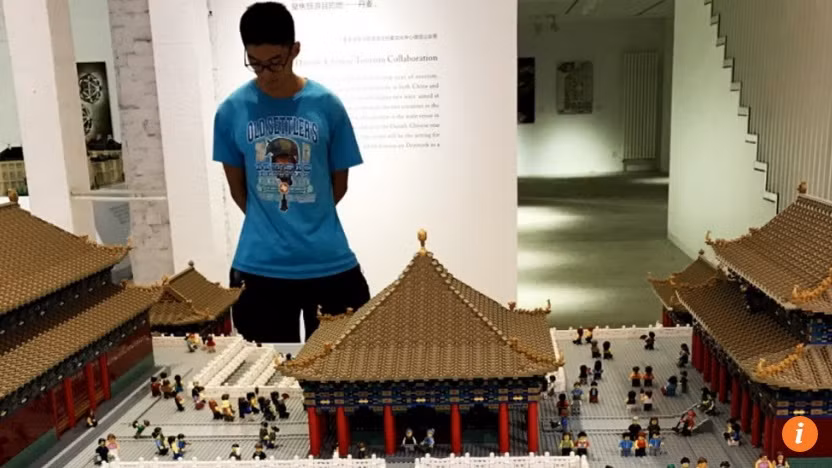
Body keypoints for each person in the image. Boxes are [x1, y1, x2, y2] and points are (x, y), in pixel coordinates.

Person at [214, 1, 371, 343]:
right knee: (264, 369)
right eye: (255, 63)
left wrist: (307, 218)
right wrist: (271, 222)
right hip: (259, 264)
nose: (266, 74)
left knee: (340, 364)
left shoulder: (327, 106)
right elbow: (239, 190)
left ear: (295, 50)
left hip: (328, 260)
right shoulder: (231, 111)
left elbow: (338, 185)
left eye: (275, 62)